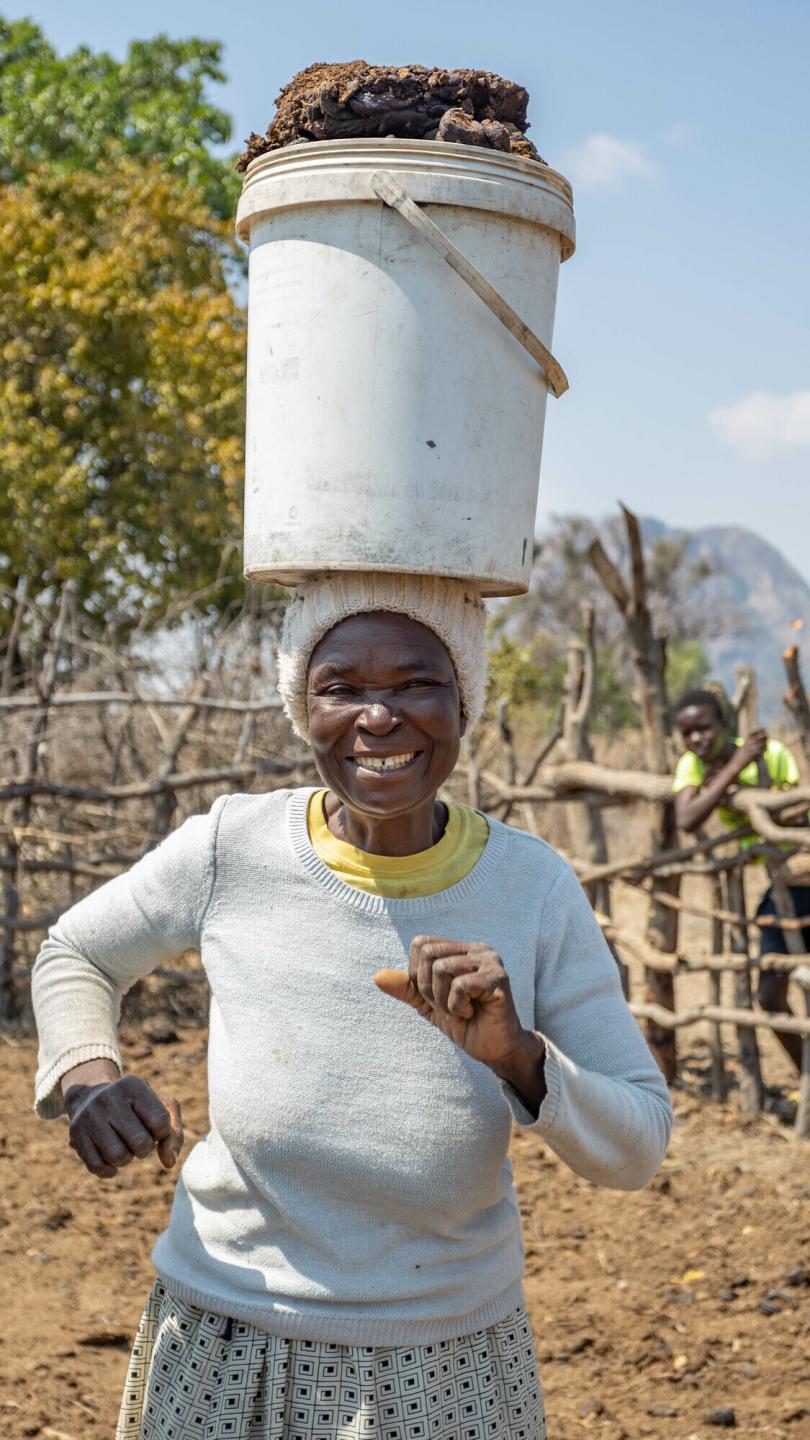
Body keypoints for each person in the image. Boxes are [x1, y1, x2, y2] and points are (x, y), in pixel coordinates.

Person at [33, 573, 672, 1440]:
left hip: (448, 1361)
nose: (379, 717)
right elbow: (77, 951)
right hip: (224, 1337)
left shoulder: (531, 887)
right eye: (343, 688)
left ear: (465, 702)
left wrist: (518, 1056)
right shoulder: (234, 848)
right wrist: (88, 1077)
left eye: (415, 682)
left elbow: (637, 1146)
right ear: (305, 707)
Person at [672, 687, 807, 1070]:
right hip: (782, 887)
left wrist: (742, 785)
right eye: (688, 732)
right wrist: (734, 769)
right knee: (769, 993)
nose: (697, 739)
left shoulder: (775, 754)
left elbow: (798, 814)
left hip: (801, 872)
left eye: (705, 728)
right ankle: (805, 1074)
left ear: (725, 724)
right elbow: (687, 818)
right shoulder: (691, 766)